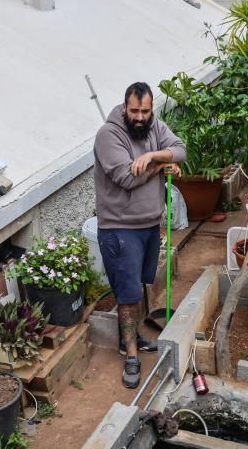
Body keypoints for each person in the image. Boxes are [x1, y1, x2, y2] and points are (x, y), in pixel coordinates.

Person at [93, 82, 186, 388]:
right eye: (134, 110)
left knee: (141, 285)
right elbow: (126, 178)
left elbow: (181, 149)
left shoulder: (155, 127)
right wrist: (163, 164)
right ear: (124, 107)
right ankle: (131, 355)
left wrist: (157, 156)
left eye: (145, 111)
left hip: (148, 225)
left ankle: (131, 339)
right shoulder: (109, 135)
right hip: (120, 228)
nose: (140, 117)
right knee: (128, 295)